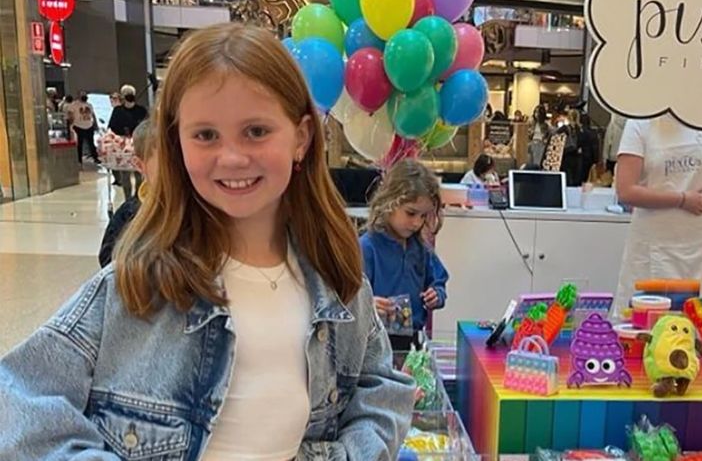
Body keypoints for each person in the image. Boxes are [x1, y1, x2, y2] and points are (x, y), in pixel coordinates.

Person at [0, 23, 414, 459]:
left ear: (301, 137)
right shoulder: (133, 287)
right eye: (205, 135)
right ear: (177, 144)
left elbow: (381, 389)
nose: (232, 157)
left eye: (256, 131)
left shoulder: (338, 283)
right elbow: (17, 403)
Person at [610, 115, 702, 316]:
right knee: (648, 320)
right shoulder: (640, 124)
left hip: (698, 242)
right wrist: (681, 199)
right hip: (654, 242)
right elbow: (626, 191)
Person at [360, 159, 449, 351]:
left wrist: (437, 294)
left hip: (413, 342)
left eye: (423, 216)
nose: (417, 223)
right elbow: (348, 299)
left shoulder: (421, 249)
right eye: (411, 213)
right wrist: (367, 305)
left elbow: (439, 282)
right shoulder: (367, 247)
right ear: (389, 203)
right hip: (374, 342)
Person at [98, 119, 155, 267]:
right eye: (165, 161)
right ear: (140, 165)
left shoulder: (195, 205)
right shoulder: (128, 215)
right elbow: (108, 259)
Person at [108, 85, 148, 201]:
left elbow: (146, 125)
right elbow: (112, 127)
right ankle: (128, 199)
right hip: (122, 145)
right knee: (125, 174)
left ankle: (137, 198)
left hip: (138, 143)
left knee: (139, 173)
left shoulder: (141, 110)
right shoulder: (118, 111)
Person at [72, 93, 100, 166]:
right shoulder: (75, 105)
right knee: (80, 144)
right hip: (79, 126)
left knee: (91, 143)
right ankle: (79, 159)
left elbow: (92, 115)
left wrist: (95, 124)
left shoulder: (89, 105)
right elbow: (71, 114)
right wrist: (72, 124)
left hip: (89, 125)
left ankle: (95, 157)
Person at [558, 109, 584, 187]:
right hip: (577, 157)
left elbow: (556, 136)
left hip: (567, 156)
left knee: (567, 180)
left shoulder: (563, 129)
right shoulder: (581, 129)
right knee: (576, 180)